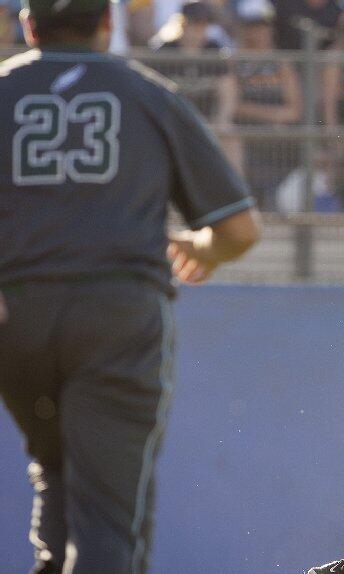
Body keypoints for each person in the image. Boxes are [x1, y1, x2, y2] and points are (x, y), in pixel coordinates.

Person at [0, 0, 259, 570]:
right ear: (107, 24)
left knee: (58, 476)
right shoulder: (146, 92)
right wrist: (200, 249)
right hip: (116, 315)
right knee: (111, 527)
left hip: (16, 317)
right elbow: (238, 229)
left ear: (28, 24)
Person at [216, 0, 301, 206]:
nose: (257, 32)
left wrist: (253, 111)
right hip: (245, 135)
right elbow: (232, 107)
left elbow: (294, 111)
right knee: (230, 139)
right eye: (252, 26)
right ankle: (240, 205)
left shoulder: (281, 63)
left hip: (280, 141)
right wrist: (273, 113)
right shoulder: (232, 60)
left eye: (262, 26)